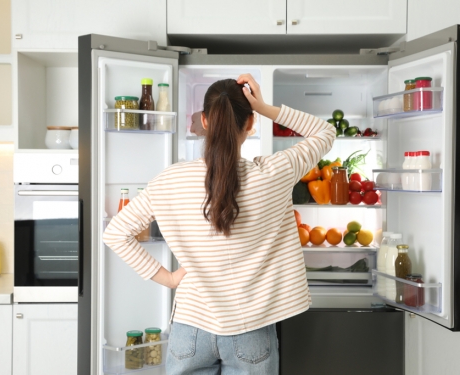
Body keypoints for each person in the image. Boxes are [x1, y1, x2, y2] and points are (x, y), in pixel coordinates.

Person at [103, 73, 336, 374]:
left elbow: (116, 234)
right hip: (251, 328)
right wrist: (264, 107)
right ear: (250, 124)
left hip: (190, 328)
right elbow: (325, 132)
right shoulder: (275, 173)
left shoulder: (170, 180)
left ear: (204, 120)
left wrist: (170, 279)